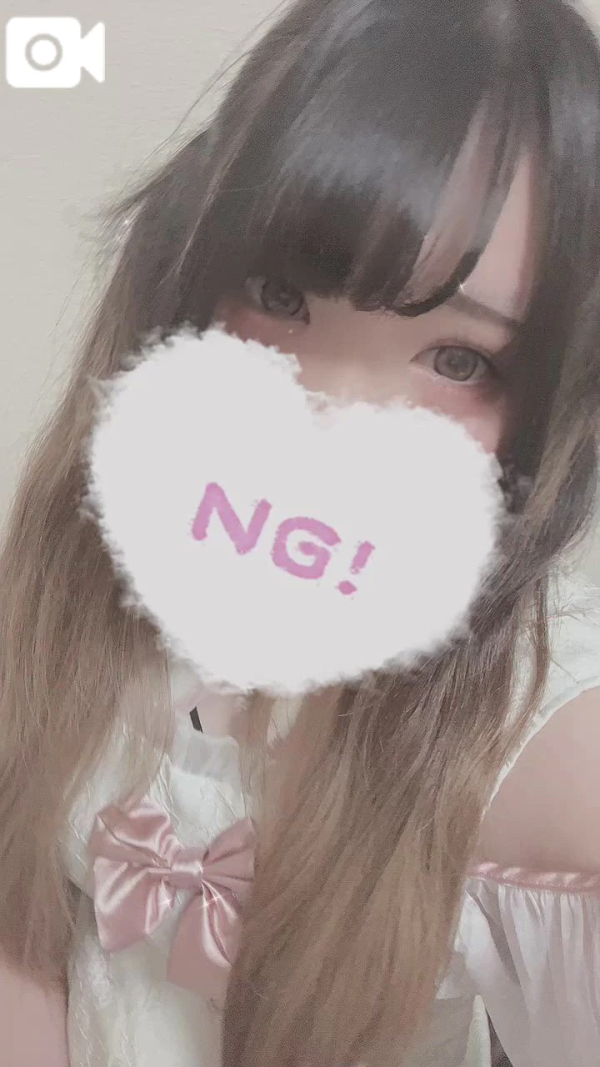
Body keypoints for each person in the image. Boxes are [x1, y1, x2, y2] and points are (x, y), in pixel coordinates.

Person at [1, 0, 600, 1064]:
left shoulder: (533, 716)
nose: (321, 418)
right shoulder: (96, 543)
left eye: (458, 360)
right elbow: (24, 906)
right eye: (281, 296)